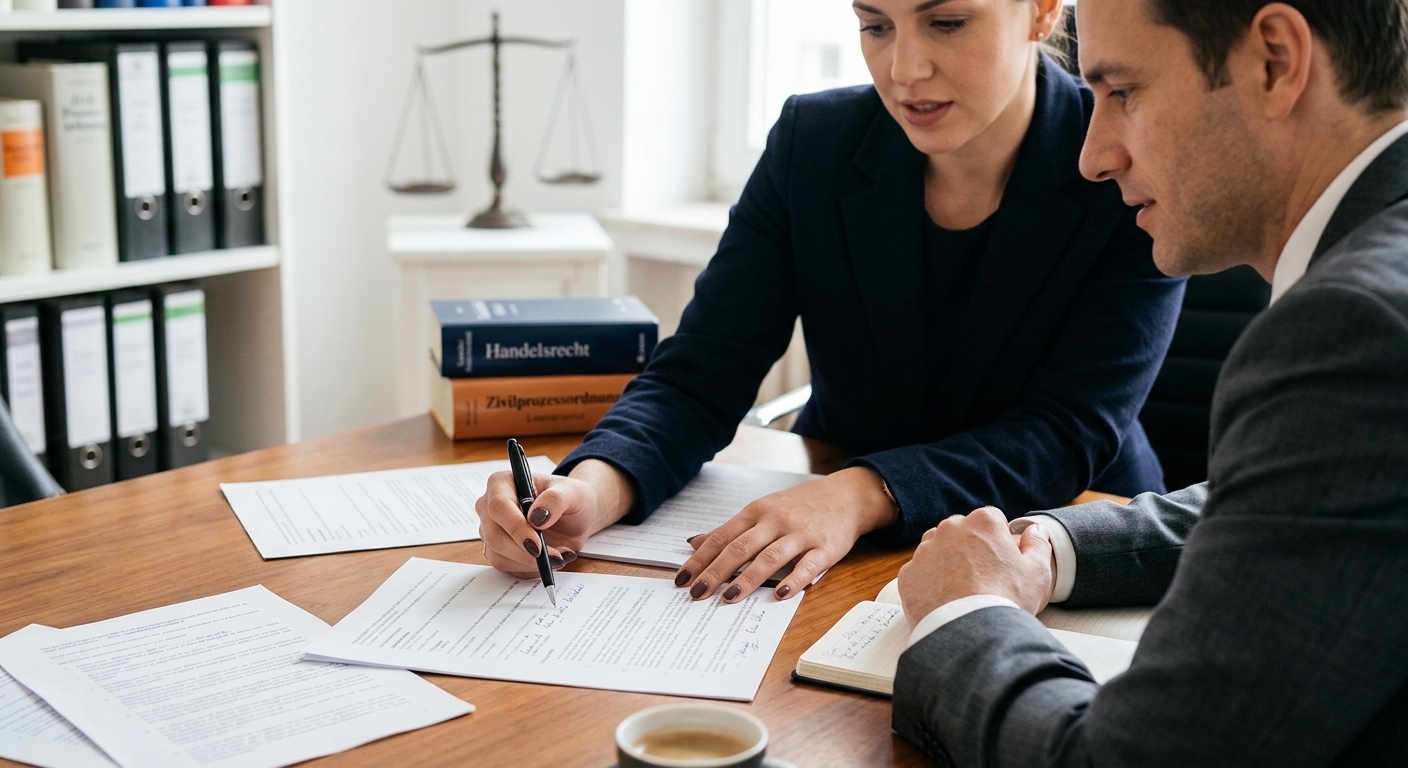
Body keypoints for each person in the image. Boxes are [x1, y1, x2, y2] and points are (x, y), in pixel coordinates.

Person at [476, 0, 1186, 603]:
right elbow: (701, 373)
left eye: (945, 22)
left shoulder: (1122, 157)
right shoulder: (812, 146)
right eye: (875, 24)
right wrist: (591, 487)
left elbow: (1067, 431)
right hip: (833, 549)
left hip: (1059, 540)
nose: (904, 69)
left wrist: (858, 492)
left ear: (1039, 11)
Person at [891, 0, 1408, 764]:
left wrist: (966, 611)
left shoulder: (1354, 329)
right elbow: (1311, 498)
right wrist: (1052, 548)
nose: (1093, 157)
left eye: (1123, 93)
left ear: (1273, 61)